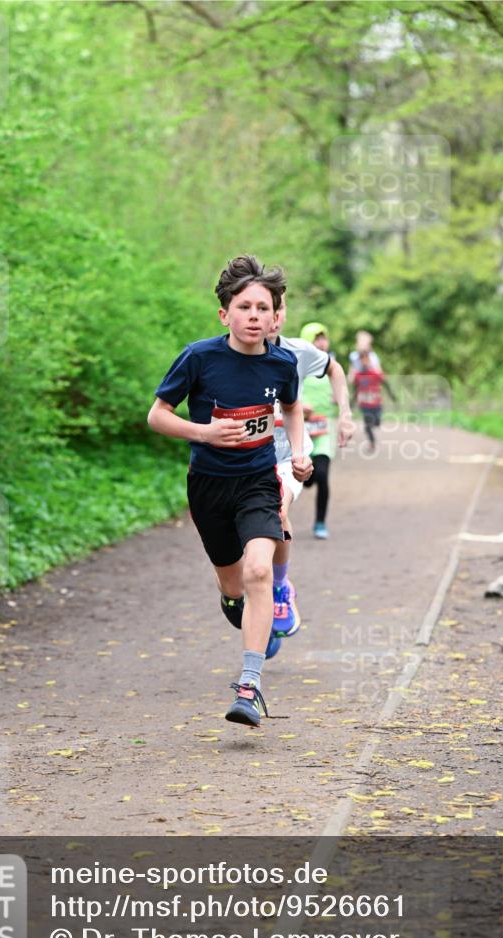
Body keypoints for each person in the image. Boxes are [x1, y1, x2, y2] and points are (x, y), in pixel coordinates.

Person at [147, 255, 312, 728]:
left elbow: (293, 408)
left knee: (260, 571)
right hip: (208, 487)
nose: (254, 315)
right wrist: (205, 433)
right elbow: (157, 415)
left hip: (259, 480)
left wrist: (299, 454)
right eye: (245, 306)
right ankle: (240, 607)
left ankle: (250, 685)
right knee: (235, 584)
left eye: (264, 307)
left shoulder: (282, 363)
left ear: (276, 315)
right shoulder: (199, 357)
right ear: (225, 314)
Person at [266, 310, 353, 631]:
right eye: (255, 307)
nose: (269, 317)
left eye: (275, 309)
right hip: (244, 460)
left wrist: (344, 414)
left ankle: (279, 586)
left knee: (277, 509)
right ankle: (249, 597)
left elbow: (335, 368)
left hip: (292, 454)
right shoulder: (226, 355)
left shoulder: (298, 351)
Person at [295, 322, 353, 540]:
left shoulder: (332, 367)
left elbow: (343, 391)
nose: (321, 342)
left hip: (324, 428)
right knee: (306, 476)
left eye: (323, 338)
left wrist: (341, 407)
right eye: (316, 338)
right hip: (300, 429)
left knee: (322, 474)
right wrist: (300, 407)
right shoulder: (295, 365)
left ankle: (320, 522)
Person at [351, 348, 395, 452]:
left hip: (376, 404)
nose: (364, 361)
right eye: (362, 359)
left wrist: (392, 395)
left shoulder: (375, 373)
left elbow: (386, 383)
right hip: (365, 405)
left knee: (377, 422)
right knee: (368, 425)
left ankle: (372, 430)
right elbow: (355, 390)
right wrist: (351, 403)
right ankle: (372, 443)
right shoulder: (358, 376)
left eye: (366, 359)